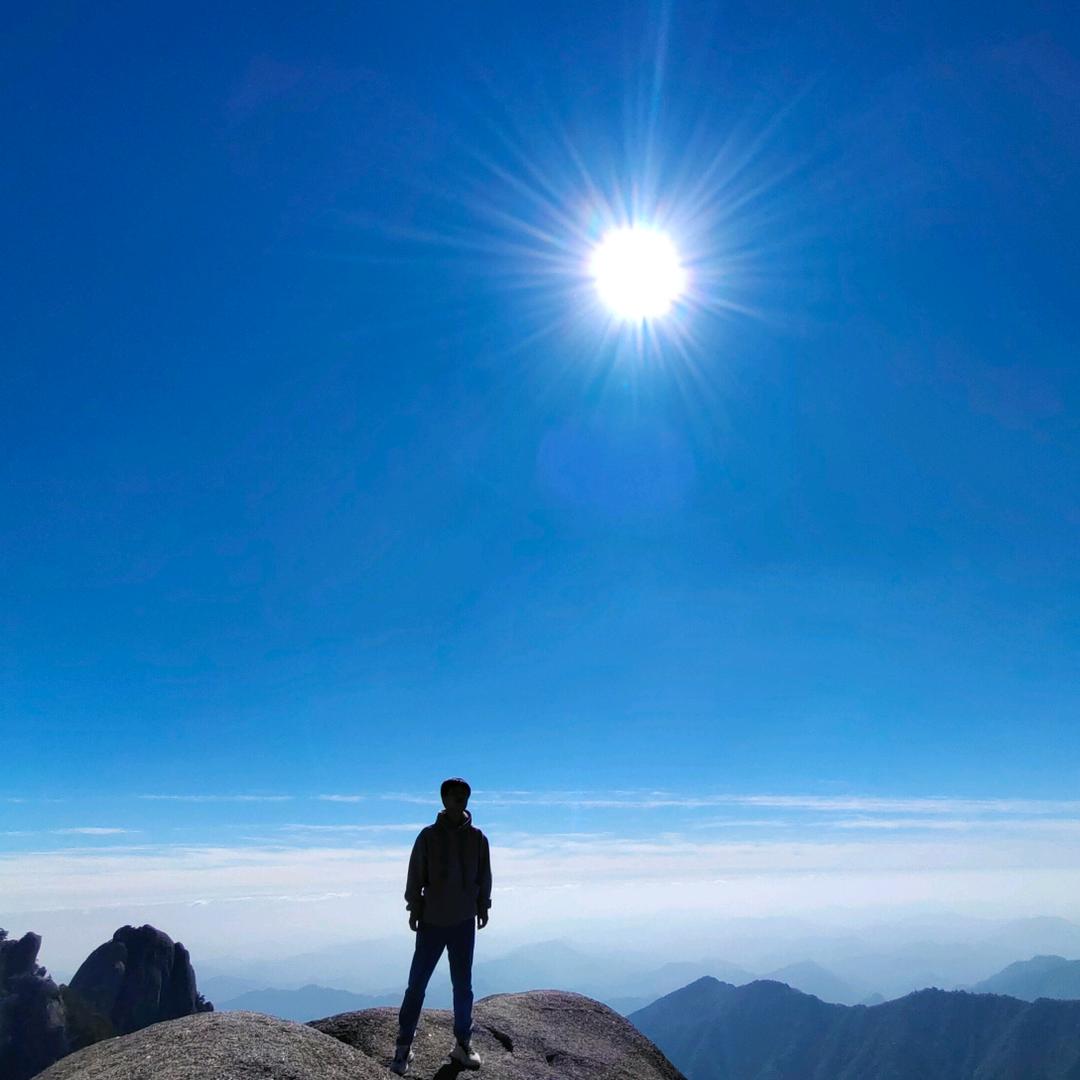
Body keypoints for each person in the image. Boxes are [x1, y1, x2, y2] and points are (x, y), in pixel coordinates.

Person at [391, 777, 492, 1075]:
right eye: (455, 794)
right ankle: (403, 1048)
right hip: (432, 920)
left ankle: (463, 1044)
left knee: (463, 987)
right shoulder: (428, 837)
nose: (461, 799)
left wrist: (483, 905)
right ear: (444, 799)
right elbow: (416, 875)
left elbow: (484, 875)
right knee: (417, 985)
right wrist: (414, 907)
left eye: (464, 795)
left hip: (464, 921)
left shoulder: (478, 838)